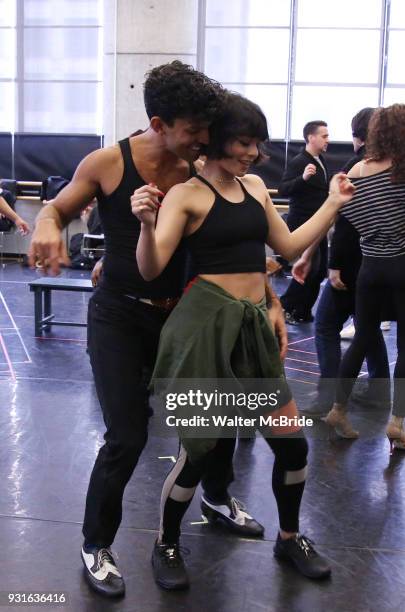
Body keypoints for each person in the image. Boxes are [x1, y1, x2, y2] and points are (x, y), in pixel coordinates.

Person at [27, 62, 283, 599]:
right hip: (120, 314)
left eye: (206, 132)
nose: (202, 141)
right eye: (193, 131)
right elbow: (58, 208)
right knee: (127, 436)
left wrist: (272, 299)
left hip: (189, 313)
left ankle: (215, 497)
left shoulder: (205, 170)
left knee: (215, 416)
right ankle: (96, 543)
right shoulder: (109, 163)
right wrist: (48, 228)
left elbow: (236, 247)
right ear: (159, 122)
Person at [133, 92, 355, 589]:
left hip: (253, 326)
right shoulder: (187, 194)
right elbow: (151, 268)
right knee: (202, 450)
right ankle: (166, 543)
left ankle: (289, 536)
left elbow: (290, 244)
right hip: (206, 330)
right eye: (242, 142)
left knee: (292, 448)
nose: (251, 153)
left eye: (257, 143)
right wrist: (147, 224)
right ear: (214, 140)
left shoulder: (253, 186)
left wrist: (336, 203)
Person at [293, 108, 390, 417]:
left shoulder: (357, 167)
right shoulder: (394, 168)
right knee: (367, 324)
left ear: (358, 136)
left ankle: (329, 398)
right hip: (380, 264)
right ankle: (378, 391)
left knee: (325, 325)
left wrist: (333, 264)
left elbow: (345, 222)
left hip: (354, 264)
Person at [324, 104, 405, 446]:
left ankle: (338, 409)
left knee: (362, 338)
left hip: (369, 268)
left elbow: (341, 218)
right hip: (402, 265)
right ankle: (398, 422)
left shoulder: (355, 172)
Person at [278, 121, 330, 324]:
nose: (328, 140)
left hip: (319, 223)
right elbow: (283, 189)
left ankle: (302, 311)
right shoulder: (300, 161)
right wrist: (303, 178)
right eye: (324, 136)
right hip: (303, 223)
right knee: (309, 268)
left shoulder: (320, 160)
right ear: (311, 137)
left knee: (319, 271)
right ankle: (285, 306)